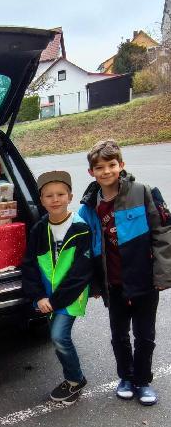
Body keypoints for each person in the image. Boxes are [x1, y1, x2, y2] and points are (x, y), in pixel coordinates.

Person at [79, 139, 171, 406]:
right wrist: (95, 285)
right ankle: (126, 377)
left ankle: (143, 381)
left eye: (111, 165)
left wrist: (163, 275)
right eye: (100, 167)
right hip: (114, 284)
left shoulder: (144, 192)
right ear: (91, 172)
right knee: (119, 335)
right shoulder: (89, 206)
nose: (106, 171)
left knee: (145, 336)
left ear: (121, 165)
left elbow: (163, 232)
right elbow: (87, 249)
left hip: (143, 280)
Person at [22, 171, 93, 405]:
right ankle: (73, 378)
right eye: (49, 195)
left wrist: (55, 300)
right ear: (41, 200)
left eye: (60, 194)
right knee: (58, 339)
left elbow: (81, 273)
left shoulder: (81, 228)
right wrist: (40, 296)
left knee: (59, 336)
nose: (55, 199)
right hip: (47, 296)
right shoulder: (39, 229)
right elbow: (30, 265)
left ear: (70, 196)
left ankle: (75, 380)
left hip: (70, 297)